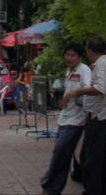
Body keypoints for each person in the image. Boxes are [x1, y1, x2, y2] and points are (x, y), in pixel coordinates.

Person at [62, 36, 106, 195]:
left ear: (89, 50)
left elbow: (100, 88)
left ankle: (94, 190)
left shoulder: (103, 64)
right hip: (96, 117)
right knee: (87, 156)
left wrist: (77, 91)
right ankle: (93, 188)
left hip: (102, 118)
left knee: (93, 159)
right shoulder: (100, 64)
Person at [40, 42, 91, 195]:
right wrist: (64, 99)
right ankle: (52, 189)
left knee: (60, 153)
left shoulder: (84, 70)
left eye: (72, 55)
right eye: (67, 55)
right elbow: (69, 90)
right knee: (61, 156)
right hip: (65, 118)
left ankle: (49, 186)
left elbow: (90, 89)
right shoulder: (69, 70)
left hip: (76, 121)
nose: (69, 58)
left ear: (80, 57)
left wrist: (74, 94)